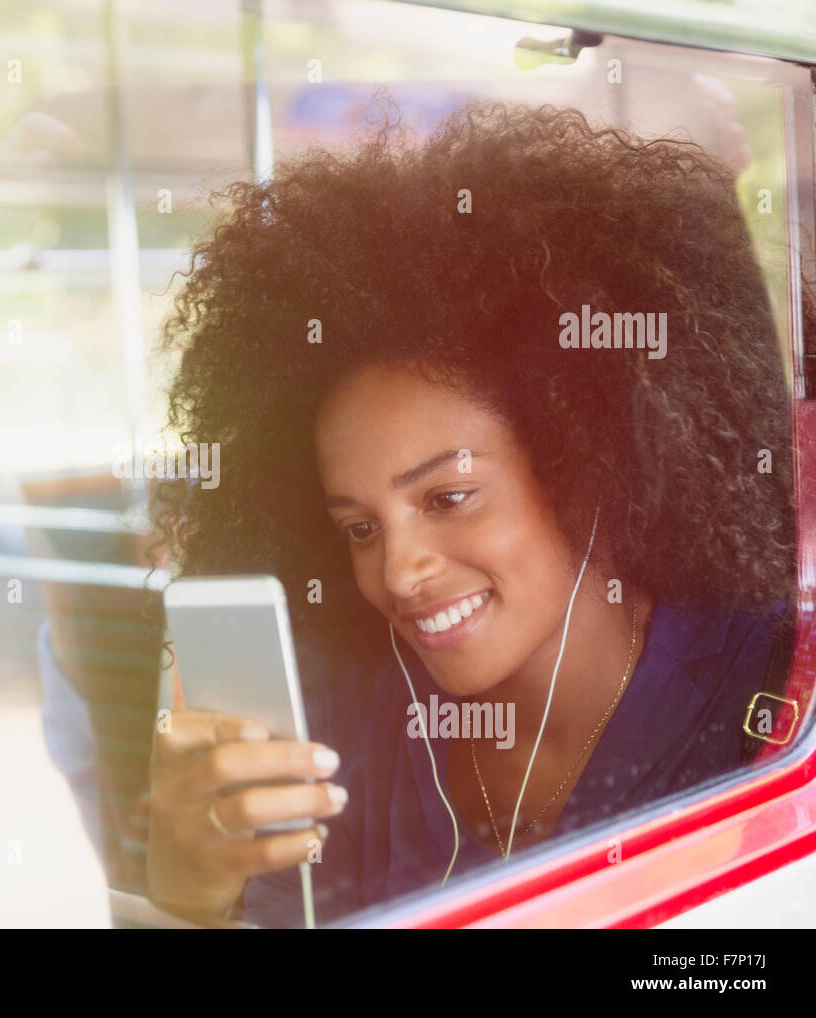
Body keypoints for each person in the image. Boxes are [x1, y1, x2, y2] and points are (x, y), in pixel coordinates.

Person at [142, 100, 801, 926]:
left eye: (447, 498)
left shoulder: (771, 690)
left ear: (589, 462)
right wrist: (191, 897)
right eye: (360, 527)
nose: (399, 570)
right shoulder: (347, 716)